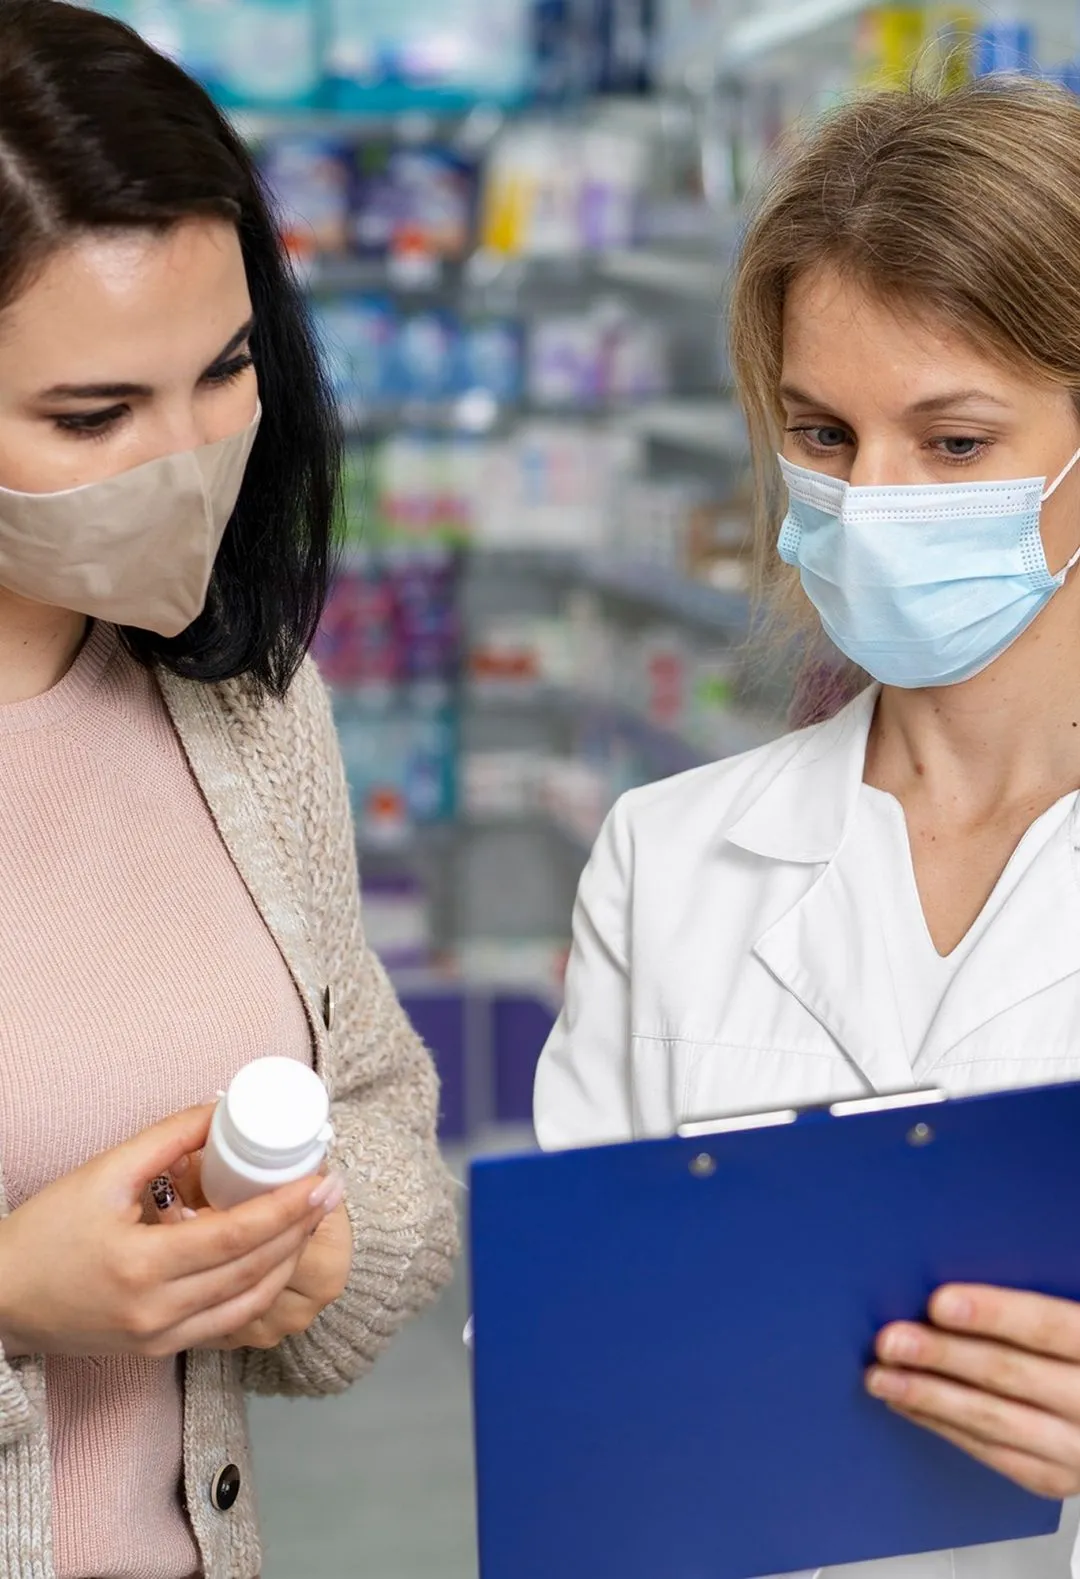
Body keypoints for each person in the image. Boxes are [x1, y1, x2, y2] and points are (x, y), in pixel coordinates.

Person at [534, 75, 1080, 1578]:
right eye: (823, 432)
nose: (871, 499)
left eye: (955, 443)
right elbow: (559, 1352)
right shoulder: (668, 857)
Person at [0, 4, 458, 1577]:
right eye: (90, 416)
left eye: (226, 369)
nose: (193, 455)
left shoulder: (249, 712)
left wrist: (315, 1248)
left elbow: (381, 1110)